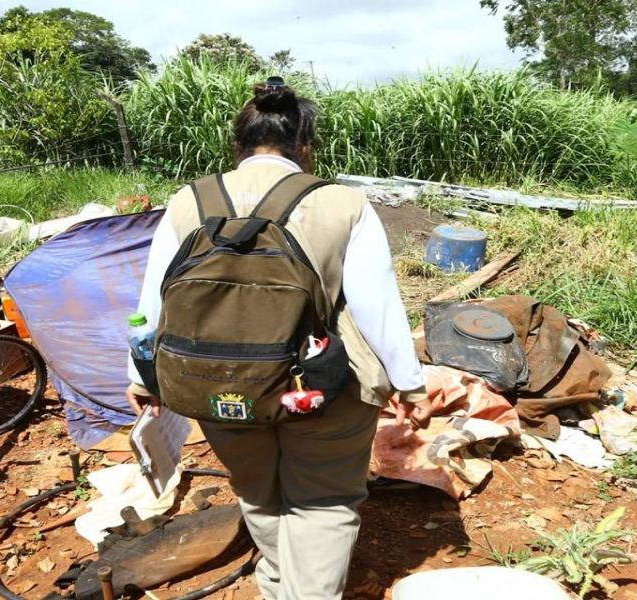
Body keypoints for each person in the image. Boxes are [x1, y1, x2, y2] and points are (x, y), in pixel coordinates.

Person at [125, 77, 432, 600]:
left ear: (237, 144)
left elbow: (153, 303)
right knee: (324, 501)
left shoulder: (186, 201)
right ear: (305, 146)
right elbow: (377, 307)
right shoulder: (344, 203)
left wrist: (141, 375)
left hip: (213, 386)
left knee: (258, 491)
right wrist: (407, 383)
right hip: (321, 384)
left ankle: (276, 583)